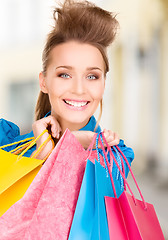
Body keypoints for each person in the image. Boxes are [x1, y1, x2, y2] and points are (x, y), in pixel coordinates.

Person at [0, 0, 134, 173]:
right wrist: (42, 154)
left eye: (92, 76)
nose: (79, 89)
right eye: (64, 75)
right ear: (44, 82)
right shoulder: (8, 144)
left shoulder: (113, 158)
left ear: (103, 84)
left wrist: (67, 146)